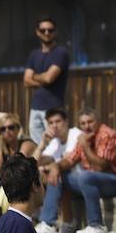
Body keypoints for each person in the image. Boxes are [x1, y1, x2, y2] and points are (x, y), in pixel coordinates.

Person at [68, 108, 116, 233]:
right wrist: (55, 167)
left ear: (97, 121)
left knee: (86, 177)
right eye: (83, 123)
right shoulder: (85, 137)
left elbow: (101, 165)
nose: (87, 126)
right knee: (60, 176)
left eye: (90, 122)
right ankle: (51, 223)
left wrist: (85, 146)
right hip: (96, 180)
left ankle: (96, 225)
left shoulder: (107, 135)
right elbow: (70, 159)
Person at [23, 17, 70, 145]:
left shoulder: (60, 53)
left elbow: (49, 78)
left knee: (55, 144)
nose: (46, 33)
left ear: (55, 32)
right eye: (43, 30)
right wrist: (42, 79)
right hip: (35, 107)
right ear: (37, 32)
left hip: (53, 106)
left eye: (50, 30)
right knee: (38, 144)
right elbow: (26, 81)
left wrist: (36, 76)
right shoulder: (34, 54)